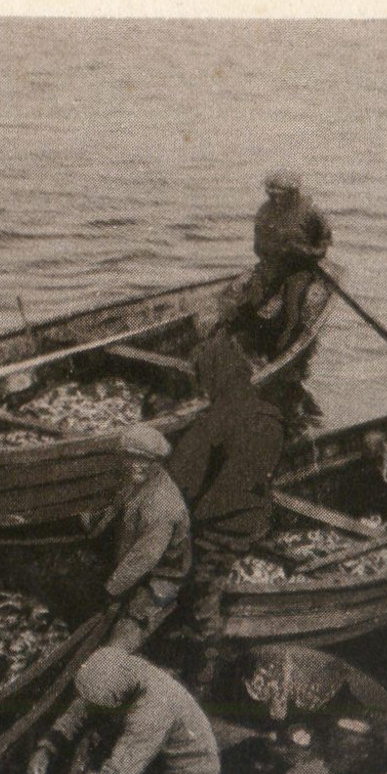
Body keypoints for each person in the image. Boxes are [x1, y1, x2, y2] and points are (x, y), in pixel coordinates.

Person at [168, 339, 285, 687]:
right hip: (255, 521)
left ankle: (204, 671)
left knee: (201, 597)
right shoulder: (272, 416)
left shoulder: (213, 422)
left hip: (220, 528)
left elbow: (180, 481)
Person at [26, 647, 220, 774]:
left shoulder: (151, 711)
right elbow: (81, 710)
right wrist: (48, 746)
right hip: (156, 753)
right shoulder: (124, 671)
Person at [215, 171, 333, 430]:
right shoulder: (265, 210)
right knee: (247, 305)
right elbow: (258, 241)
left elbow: (324, 241)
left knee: (293, 312)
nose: (274, 199)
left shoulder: (311, 211)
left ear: (291, 193)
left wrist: (307, 253)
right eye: (271, 193)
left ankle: (284, 355)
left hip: (297, 270)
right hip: (269, 266)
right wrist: (266, 256)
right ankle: (243, 345)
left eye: (279, 195)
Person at [88, 425, 192, 652]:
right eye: (130, 457)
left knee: (123, 636)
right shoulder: (135, 481)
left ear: (157, 462)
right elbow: (112, 512)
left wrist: (111, 590)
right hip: (131, 569)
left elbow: (144, 557)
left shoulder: (163, 506)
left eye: (144, 460)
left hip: (159, 579)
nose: (136, 464)